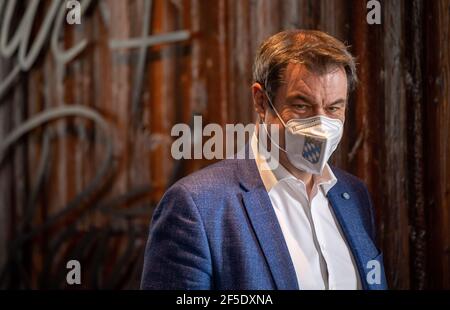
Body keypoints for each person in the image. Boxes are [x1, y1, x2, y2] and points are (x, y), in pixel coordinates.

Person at [140, 29, 387, 290]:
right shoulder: (197, 207)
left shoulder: (354, 196)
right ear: (261, 101)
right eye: (302, 105)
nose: (320, 124)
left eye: (333, 108)